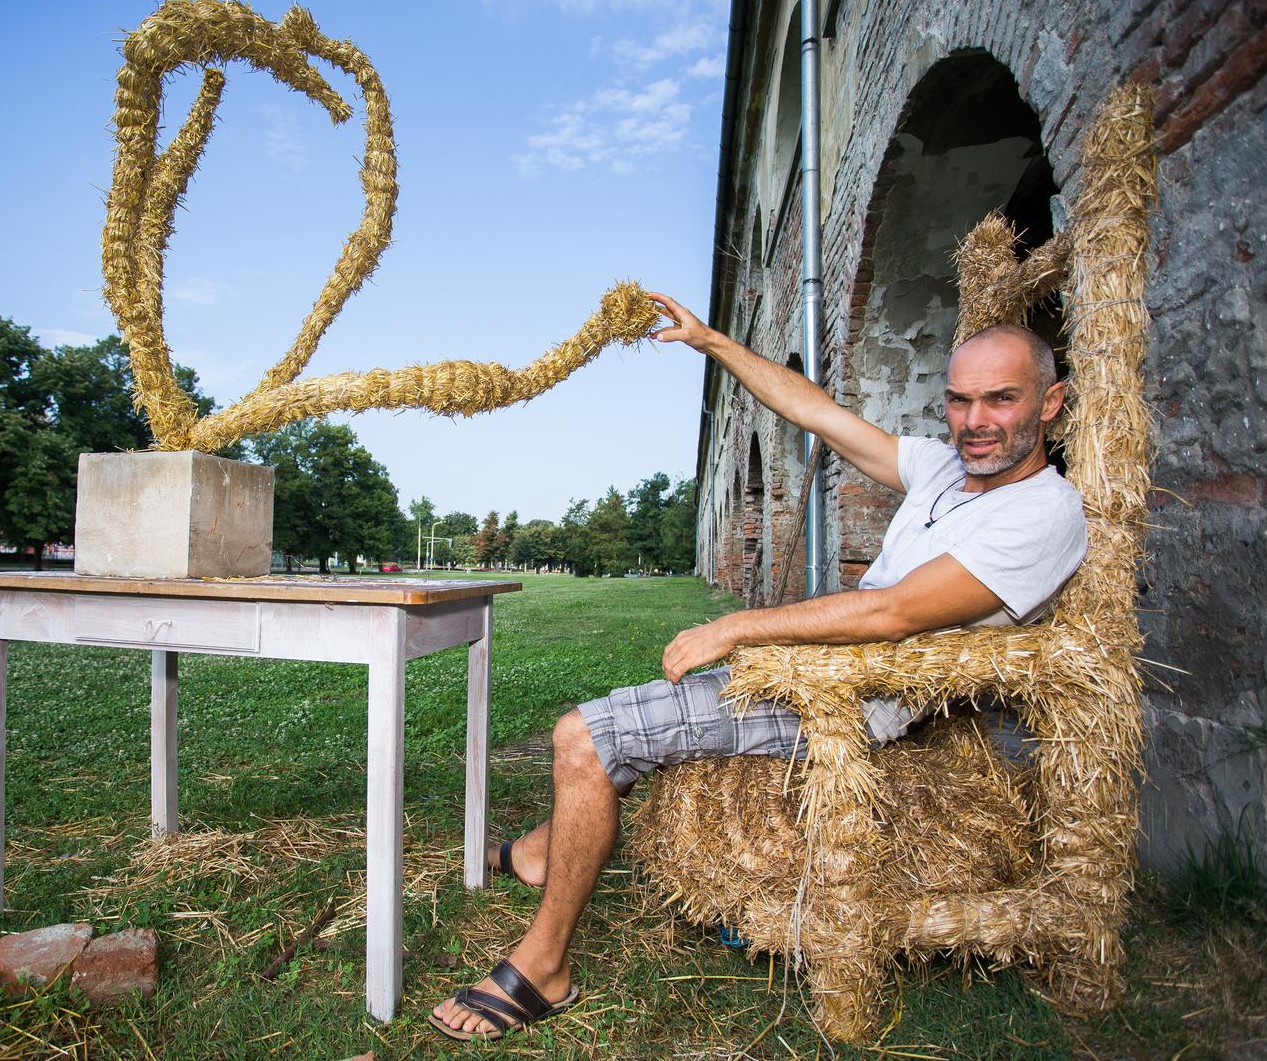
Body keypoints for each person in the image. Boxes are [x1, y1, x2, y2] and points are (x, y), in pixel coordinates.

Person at [429, 292, 1087, 1042]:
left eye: (1001, 400)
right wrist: (712, 343)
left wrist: (737, 627)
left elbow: (894, 612)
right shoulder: (944, 470)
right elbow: (818, 414)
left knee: (582, 736)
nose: (975, 422)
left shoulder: (1044, 512)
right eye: (961, 401)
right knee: (622, 730)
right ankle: (546, 853)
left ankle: (544, 967)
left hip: (850, 702)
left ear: (1052, 401)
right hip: (808, 671)